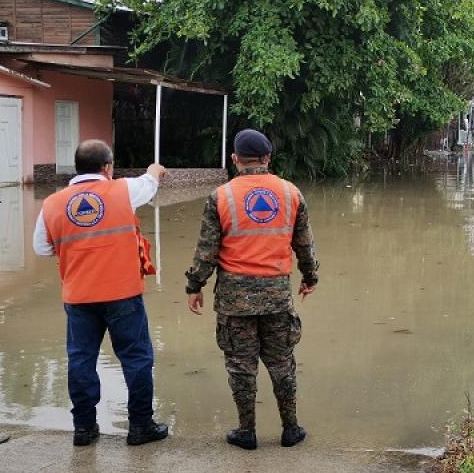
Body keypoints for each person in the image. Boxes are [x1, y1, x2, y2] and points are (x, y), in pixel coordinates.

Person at [185, 129, 318, 450]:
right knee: (282, 363)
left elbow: (207, 250)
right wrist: (310, 276)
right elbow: (305, 245)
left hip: (234, 301)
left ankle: (247, 432)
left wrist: (194, 284)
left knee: (241, 368)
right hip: (277, 298)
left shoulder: (221, 197)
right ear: (268, 158)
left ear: (235, 159)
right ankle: (291, 429)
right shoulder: (291, 194)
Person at [32, 139, 169, 446]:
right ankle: (140, 427)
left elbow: (41, 248)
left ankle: (83, 428)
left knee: (80, 360)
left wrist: (74, 242)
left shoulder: (53, 204)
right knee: (136, 359)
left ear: (77, 167)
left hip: (79, 298)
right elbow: (149, 184)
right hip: (123, 295)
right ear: (108, 167)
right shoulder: (123, 190)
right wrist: (155, 170)